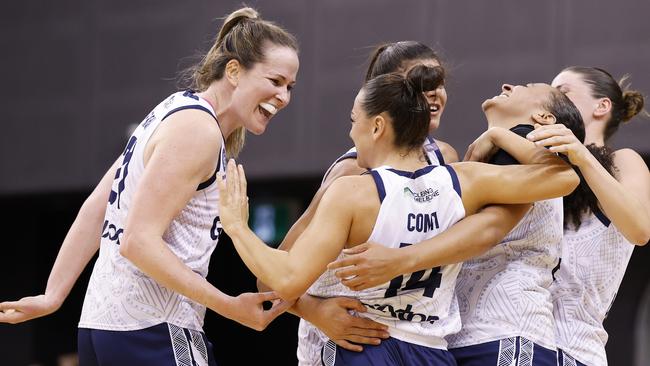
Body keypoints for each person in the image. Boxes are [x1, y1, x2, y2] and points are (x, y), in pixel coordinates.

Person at [218, 65, 579, 366]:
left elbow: (285, 279)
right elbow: (564, 176)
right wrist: (500, 135)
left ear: (376, 127)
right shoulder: (464, 179)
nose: (350, 131)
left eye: (353, 120)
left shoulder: (352, 192)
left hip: (361, 346)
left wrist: (237, 227)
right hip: (430, 350)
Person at [0, 7, 299, 365]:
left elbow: (98, 205)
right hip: (155, 330)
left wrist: (54, 294)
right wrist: (230, 307)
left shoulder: (172, 109)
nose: (284, 96)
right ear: (234, 71)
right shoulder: (198, 131)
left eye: (290, 87)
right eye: (276, 81)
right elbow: (138, 242)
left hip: (102, 327)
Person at [329, 81, 587, 366]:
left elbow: (489, 229)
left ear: (544, 118)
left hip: (503, 328)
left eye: (527, 85)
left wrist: (498, 134)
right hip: (463, 333)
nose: (508, 84)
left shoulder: (524, 141)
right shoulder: (463, 163)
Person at [527, 66, 650, 366]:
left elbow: (640, 229)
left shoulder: (624, 161)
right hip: (518, 336)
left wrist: (580, 156)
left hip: (574, 348)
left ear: (602, 106)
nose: (553, 99)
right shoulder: (540, 167)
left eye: (564, 92)